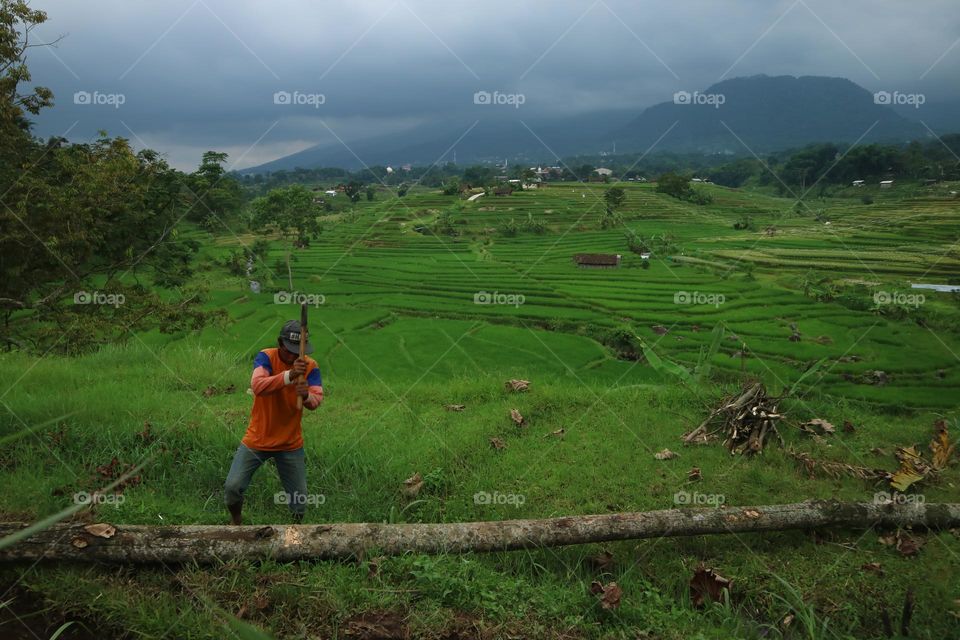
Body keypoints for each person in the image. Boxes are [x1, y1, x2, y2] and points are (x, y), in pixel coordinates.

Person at [223, 320, 323, 524]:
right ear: (280, 343)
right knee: (233, 487)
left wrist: (305, 396)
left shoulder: (311, 366)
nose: (294, 356)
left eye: (298, 352)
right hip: (258, 438)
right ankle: (236, 520)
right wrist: (290, 375)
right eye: (289, 350)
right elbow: (258, 386)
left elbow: (316, 400)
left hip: (290, 442)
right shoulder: (266, 357)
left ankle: (297, 531)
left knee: (300, 500)